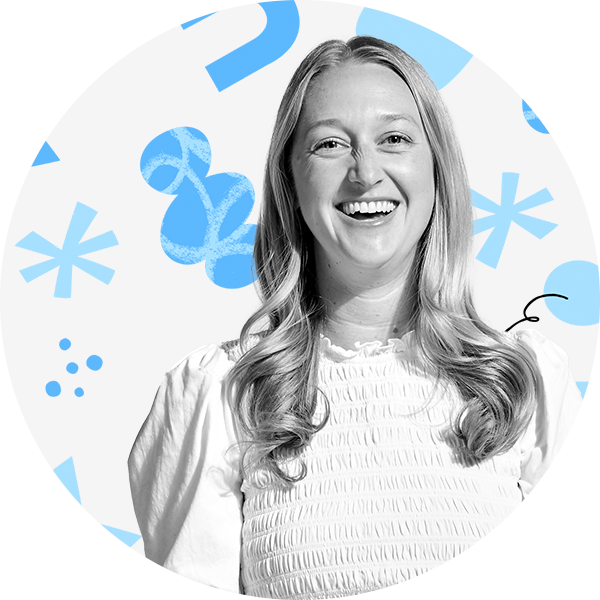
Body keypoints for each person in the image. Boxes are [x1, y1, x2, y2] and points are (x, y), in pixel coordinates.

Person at [128, 36, 600, 600]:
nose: (365, 172)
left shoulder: (527, 384)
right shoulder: (220, 394)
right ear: (290, 182)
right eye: (330, 144)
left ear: (437, 170)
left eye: (394, 138)